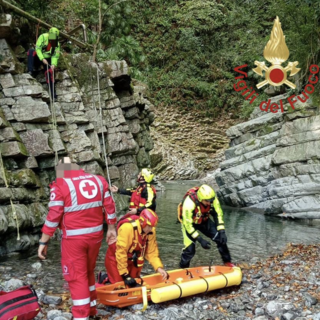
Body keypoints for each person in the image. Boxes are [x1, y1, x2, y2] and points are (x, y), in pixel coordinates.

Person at [38, 157, 117, 320]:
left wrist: (44, 240)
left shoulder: (60, 185)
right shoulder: (98, 180)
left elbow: (54, 216)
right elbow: (109, 206)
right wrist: (111, 228)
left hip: (74, 239)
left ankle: (81, 316)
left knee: (75, 276)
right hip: (95, 237)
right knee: (88, 271)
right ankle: (92, 309)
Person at [104, 208, 167, 286]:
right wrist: (125, 274)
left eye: (153, 227)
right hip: (116, 258)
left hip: (133, 259)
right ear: (142, 222)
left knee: (135, 282)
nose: (151, 229)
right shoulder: (127, 228)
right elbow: (121, 252)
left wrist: (159, 268)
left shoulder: (150, 231)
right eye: (149, 226)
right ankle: (105, 278)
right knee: (120, 285)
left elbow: (152, 252)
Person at [178, 184, 235, 269]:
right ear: (201, 199)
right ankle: (183, 269)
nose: (209, 203)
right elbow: (188, 225)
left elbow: (218, 214)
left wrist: (222, 231)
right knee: (190, 249)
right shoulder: (189, 203)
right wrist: (200, 240)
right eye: (207, 201)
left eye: (211, 200)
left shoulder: (213, 200)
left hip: (204, 221)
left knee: (221, 239)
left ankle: (227, 262)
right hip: (189, 224)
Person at [27, 27, 61, 100]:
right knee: (31, 51)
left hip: (48, 59)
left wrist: (53, 64)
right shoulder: (43, 37)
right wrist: (42, 59)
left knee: (50, 72)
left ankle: (53, 94)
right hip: (39, 57)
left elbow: (55, 55)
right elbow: (38, 48)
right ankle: (30, 70)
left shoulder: (56, 44)